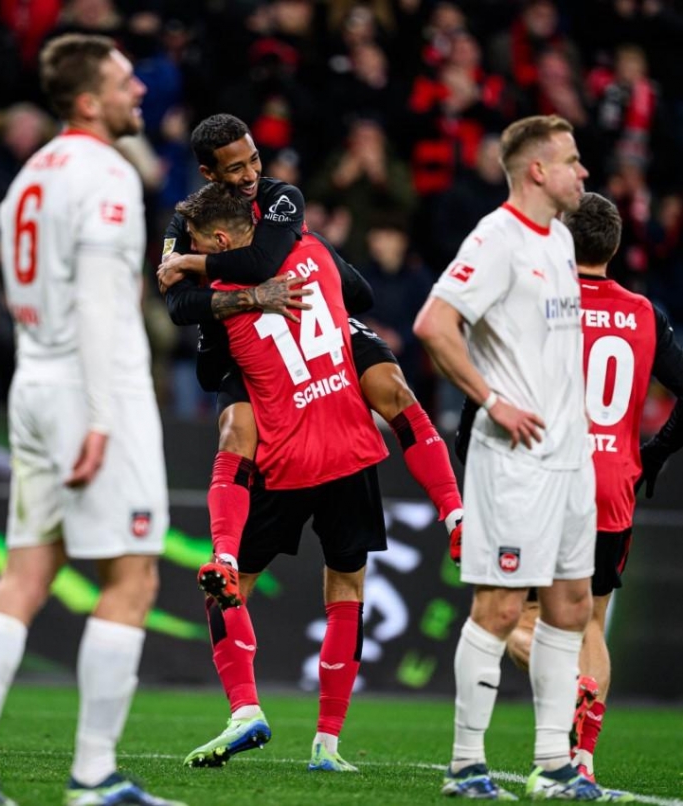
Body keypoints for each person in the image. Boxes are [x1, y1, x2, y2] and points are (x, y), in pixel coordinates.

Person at [0, 34, 182, 806]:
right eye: (121, 82)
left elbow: (28, 296)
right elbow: (105, 305)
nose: (138, 90)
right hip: (91, 387)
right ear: (87, 100)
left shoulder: (25, 181)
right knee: (132, 576)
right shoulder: (106, 175)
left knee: (26, 569)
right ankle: (93, 776)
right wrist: (105, 416)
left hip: (35, 382)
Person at [158, 113, 463, 612]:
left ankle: (456, 516)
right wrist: (256, 297)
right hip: (265, 332)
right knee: (235, 427)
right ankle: (226, 559)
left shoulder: (282, 198)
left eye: (253, 158)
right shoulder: (186, 220)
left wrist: (194, 265)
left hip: (315, 317)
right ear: (209, 174)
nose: (251, 173)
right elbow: (175, 308)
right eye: (235, 168)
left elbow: (256, 268)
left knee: (394, 389)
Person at [413, 115, 631, 801]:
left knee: (570, 604)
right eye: (571, 161)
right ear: (537, 170)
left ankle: (553, 765)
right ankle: (465, 765)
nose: (583, 172)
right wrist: (491, 399)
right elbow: (433, 323)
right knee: (501, 608)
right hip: (514, 458)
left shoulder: (562, 241)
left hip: (569, 462)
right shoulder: (497, 238)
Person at [453, 192, 683, 784]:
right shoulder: (645, 314)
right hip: (612, 486)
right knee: (590, 623)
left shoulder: (537, 302)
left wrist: (470, 476)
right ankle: (577, 761)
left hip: (538, 476)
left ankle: (552, 717)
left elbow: (480, 395)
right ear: (615, 247)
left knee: (511, 617)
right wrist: (653, 452)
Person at [175, 182, 389, 773]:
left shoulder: (220, 294)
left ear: (219, 241)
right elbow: (363, 294)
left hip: (284, 449)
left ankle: (246, 709)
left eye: (197, 244)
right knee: (347, 592)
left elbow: (206, 367)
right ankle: (328, 744)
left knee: (228, 584)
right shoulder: (311, 249)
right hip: (346, 436)